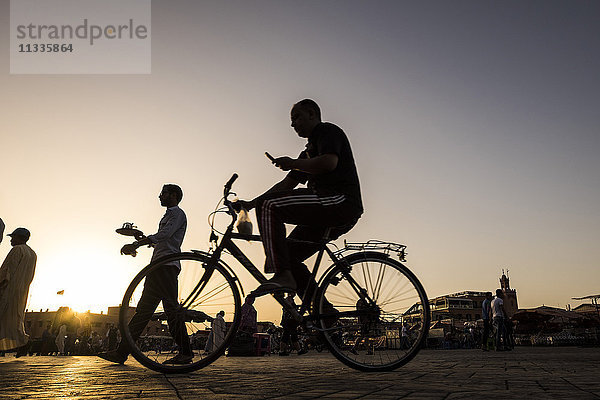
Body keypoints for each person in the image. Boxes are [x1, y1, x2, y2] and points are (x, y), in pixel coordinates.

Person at [237, 99, 363, 299]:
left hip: (340, 201)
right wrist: (250, 204)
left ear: (312, 114)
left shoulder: (327, 131)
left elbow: (329, 163)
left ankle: (282, 275)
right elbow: (285, 186)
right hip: (325, 209)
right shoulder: (308, 153)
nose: (292, 124)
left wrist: (293, 163)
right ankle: (322, 316)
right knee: (287, 255)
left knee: (269, 205)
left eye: (297, 117)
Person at [99, 184, 193, 365]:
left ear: (173, 195)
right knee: (143, 311)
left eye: (163, 193)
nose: (159, 196)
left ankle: (186, 352)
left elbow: (165, 235)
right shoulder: (168, 215)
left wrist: (138, 244)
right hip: (157, 267)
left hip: (167, 266)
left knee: (171, 310)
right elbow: (161, 238)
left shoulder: (177, 213)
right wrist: (144, 239)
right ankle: (121, 352)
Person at [0, 228, 37, 356]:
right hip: (21, 292)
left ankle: (24, 342)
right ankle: (23, 342)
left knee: (5, 318)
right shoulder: (32, 254)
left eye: (13, 237)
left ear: (19, 237)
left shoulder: (17, 250)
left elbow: (7, 271)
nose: (11, 240)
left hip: (9, 290)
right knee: (14, 320)